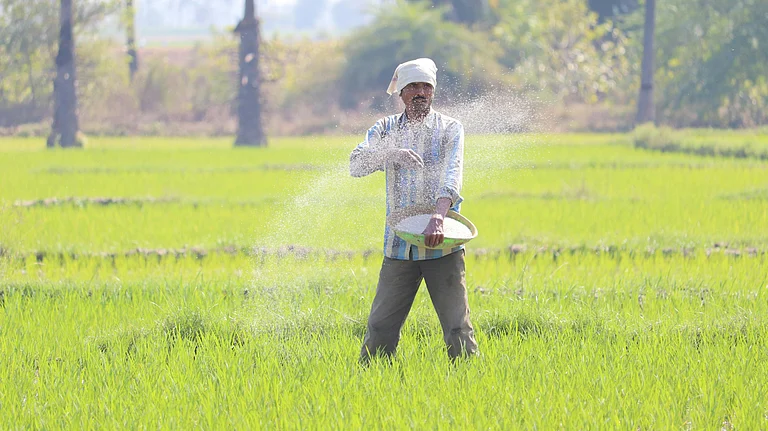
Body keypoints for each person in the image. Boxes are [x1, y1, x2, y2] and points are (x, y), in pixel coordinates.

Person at [349, 58, 478, 363]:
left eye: (426, 86)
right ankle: (370, 382)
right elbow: (356, 164)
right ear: (402, 92)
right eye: (413, 87)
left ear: (433, 91)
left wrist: (438, 216)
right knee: (380, 327)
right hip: (399, 246)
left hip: (441, 244)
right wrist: (390, 153)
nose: (420, 92)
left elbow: (452, 174)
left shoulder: (450, 128)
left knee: (457, 327)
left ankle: (469, 383)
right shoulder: (385, 128)